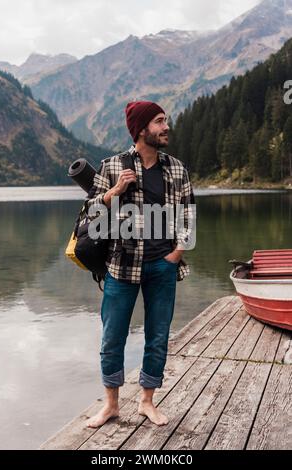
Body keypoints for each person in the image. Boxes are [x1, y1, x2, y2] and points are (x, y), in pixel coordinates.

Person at [85, 101, 195, 428]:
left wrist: (177, 252)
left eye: (166, 121)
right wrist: (114, 192)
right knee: (112, 338)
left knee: (157, 336)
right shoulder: (111, 167)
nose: (166, 127)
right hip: (121, 267)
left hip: (163, 267)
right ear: (142, 128)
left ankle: (147, 401)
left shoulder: (176, 169)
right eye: (160, 121)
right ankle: (111, 405)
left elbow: (188, 215)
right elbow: (92, 214)